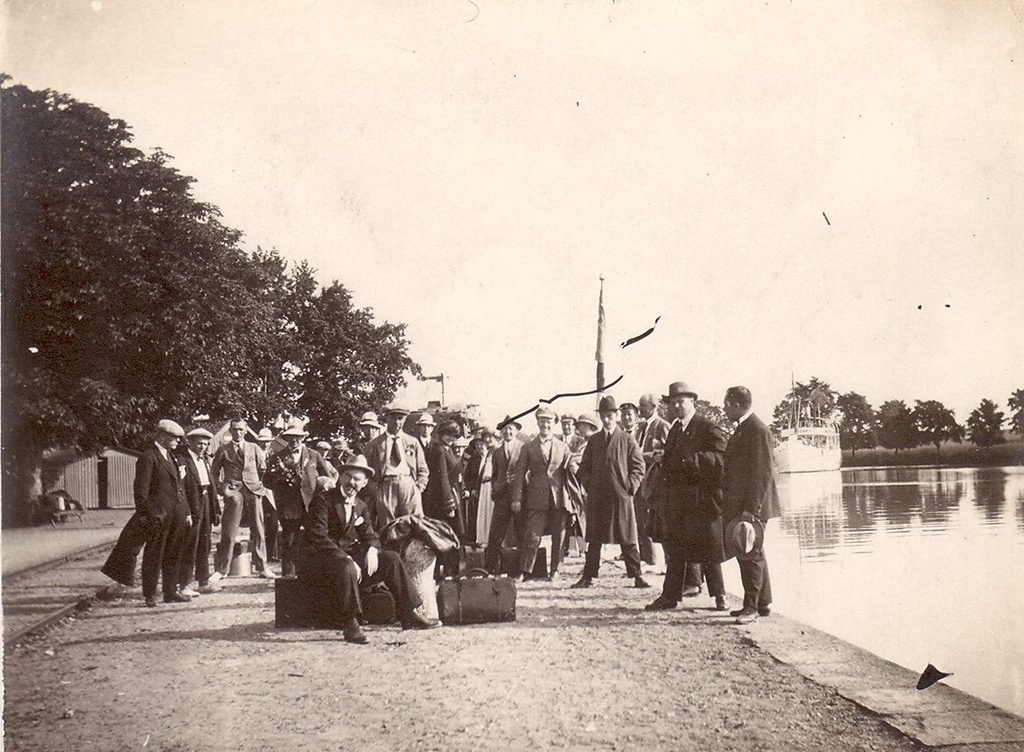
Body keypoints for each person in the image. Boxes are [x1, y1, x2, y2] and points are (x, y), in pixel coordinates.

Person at [298, 455, 440, 644]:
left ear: (364, 483)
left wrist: (372, 550)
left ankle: (407, 613)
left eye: (357, 479)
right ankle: (350, 623)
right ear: (340, 477)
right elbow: (318, 538)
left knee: (390, 558)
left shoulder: (361, 506)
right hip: (321, 563)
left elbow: (370, 536)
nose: (351, 482)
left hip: (344, 564)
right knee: (346, 566)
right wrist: (347, 558)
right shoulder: (323, 500)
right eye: (348, 476)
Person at [646, 382, 728, 612]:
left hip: (702, 500)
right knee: (676, 550)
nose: (677, 405)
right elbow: (672, 462)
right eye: (673, 402)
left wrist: (692, 462)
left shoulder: (706, 426)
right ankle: (670, 597)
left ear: (693, 401)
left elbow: (721, 457)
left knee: (710, 550)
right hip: (679, 502)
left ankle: (720, 597)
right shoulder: (675, 429)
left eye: (681, 400)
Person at [102, 419, 193, 606]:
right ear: (161, 436)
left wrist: (187, 512)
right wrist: (148, 515)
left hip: (176, 515)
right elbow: (141, 491)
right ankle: (150, 594)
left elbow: (179, 488)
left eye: (178, 438)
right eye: (173, 437)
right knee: (154, 555)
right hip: (158, 516)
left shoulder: (171, 457)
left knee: (173, 554)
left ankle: (170, 591)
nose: (177, 441)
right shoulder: (149, 457)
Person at [572, 396, 649, 589]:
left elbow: (638, 467)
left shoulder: (627, 439)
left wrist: (629, 487)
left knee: (627, 538)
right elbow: (584, 467)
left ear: (616, 416)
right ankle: (588, 576)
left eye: (610, 416)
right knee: (595, 539)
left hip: (620, 496)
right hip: (598, 497)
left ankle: (637, 575)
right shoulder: (594, 440)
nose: (607, 420)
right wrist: (589, 484)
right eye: (604, 416)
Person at [722, 386, 781, 624]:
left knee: (749, 553)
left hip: (752, 506)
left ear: (736, 404)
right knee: (753, 551)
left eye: (726, 404)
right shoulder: (745, 429)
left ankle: (751, 607)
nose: (724, 409)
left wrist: (751, 511)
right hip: (745, 504)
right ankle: (762, 603)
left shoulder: (757, 430)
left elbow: (762, 474)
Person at [264, 421, 336, 577]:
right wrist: (281, 479)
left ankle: (313, 575)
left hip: (312, 505)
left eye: (297, 437)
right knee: (289, 542)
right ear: (286, 438)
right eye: (291, 437)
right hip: (289, 506)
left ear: (303, 438)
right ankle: (288, 578)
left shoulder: (314, 455)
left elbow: (329, 478)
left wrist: (323, 489)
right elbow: (267, 481)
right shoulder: (278, 457)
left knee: (315, 539)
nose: (294, 440)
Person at [209, 418, 277, 581]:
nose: (237, 432)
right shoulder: (223, 449)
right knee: (229, 531)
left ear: (246, 431)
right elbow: (213, 473)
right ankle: (222, 569)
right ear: (230, 431)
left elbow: (263, 470)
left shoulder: (254, 448)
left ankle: (262, 567)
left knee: (259, 530)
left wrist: (258, 484)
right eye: (234, 429)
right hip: (233, 493)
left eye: (240, 429)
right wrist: (223, 490)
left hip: (253, 491)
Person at [511, 406, 571, 582]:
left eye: (549, 421)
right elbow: (519, 475)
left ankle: (555, 570)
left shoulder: (563, 446)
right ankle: (525, 570)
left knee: (558, 536)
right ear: (537, 423)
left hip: (558, 497)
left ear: (554, 424)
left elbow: (570, 468)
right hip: (536, 497)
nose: (545, 424)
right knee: (532, 535)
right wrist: (517, 499)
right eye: (542, 421)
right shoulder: (528, 447)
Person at [362, 403, 429, 529]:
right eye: (394, 418)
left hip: (409, 484)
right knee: (389, 527)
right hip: (386, 486)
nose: (397, 422)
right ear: (386, 418)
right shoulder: (374, 444)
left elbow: (422, 468)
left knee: (414, 524)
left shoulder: (412, 442)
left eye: (401, 418)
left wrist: (419, 487)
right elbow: (365, 471)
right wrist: (375, 491)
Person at [178, 428, 221, 596]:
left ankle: (203, 581)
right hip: (192, 505)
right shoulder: (183, 461)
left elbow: (211, 486)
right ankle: (184, 584)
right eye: (199, 443)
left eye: (205, 444)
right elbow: (180, 489)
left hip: (206, 505)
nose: (202, 447)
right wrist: (187, 511)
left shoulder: (205, 461)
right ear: (190, 442)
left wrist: (215, 510)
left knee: (205, 544)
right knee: (189, 545)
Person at [422, 420, 464, 577]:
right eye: (447, 434)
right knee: (446, 534)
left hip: (449, 494)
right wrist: (449, 505)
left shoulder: (446, 449)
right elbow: (442, 478)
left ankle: (447, 570)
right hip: (441, 499)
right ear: (441, 434)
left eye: (453, 435)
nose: (450, 438)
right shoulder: (439, 450)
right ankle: (445, 571)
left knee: (447, 535)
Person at [484, 416, 524, 574]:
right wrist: (496, 488)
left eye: (511, 428)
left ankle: (521, 569)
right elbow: (495, 475)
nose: (508, 431)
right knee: (495, 533)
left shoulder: (523, 448)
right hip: (502, 497)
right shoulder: (497, 452)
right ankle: (491, 567)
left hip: (518, 497)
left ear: (516, 431)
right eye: (505, 429)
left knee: (521, 532)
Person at [636, 393, 671, 570]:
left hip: (655, 482)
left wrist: (640, 457)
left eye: (643, 405)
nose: (640, 409)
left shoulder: (662, 426)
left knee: (661, 522)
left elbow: (665, 454)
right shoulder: (641, 427)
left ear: (653, 407)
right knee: (642, 521)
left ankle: (667, 562)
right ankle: (648, 559)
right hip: (640, 481)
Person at [254, 427, 281, 563]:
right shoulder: (254, 453)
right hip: (256, 490)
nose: (265, 444)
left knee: (272, 524)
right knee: (258, 524)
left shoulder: (274, 455)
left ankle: (270, 554)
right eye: (262, 441)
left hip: (270, 492)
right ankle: (257, 555)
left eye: (267, 441)